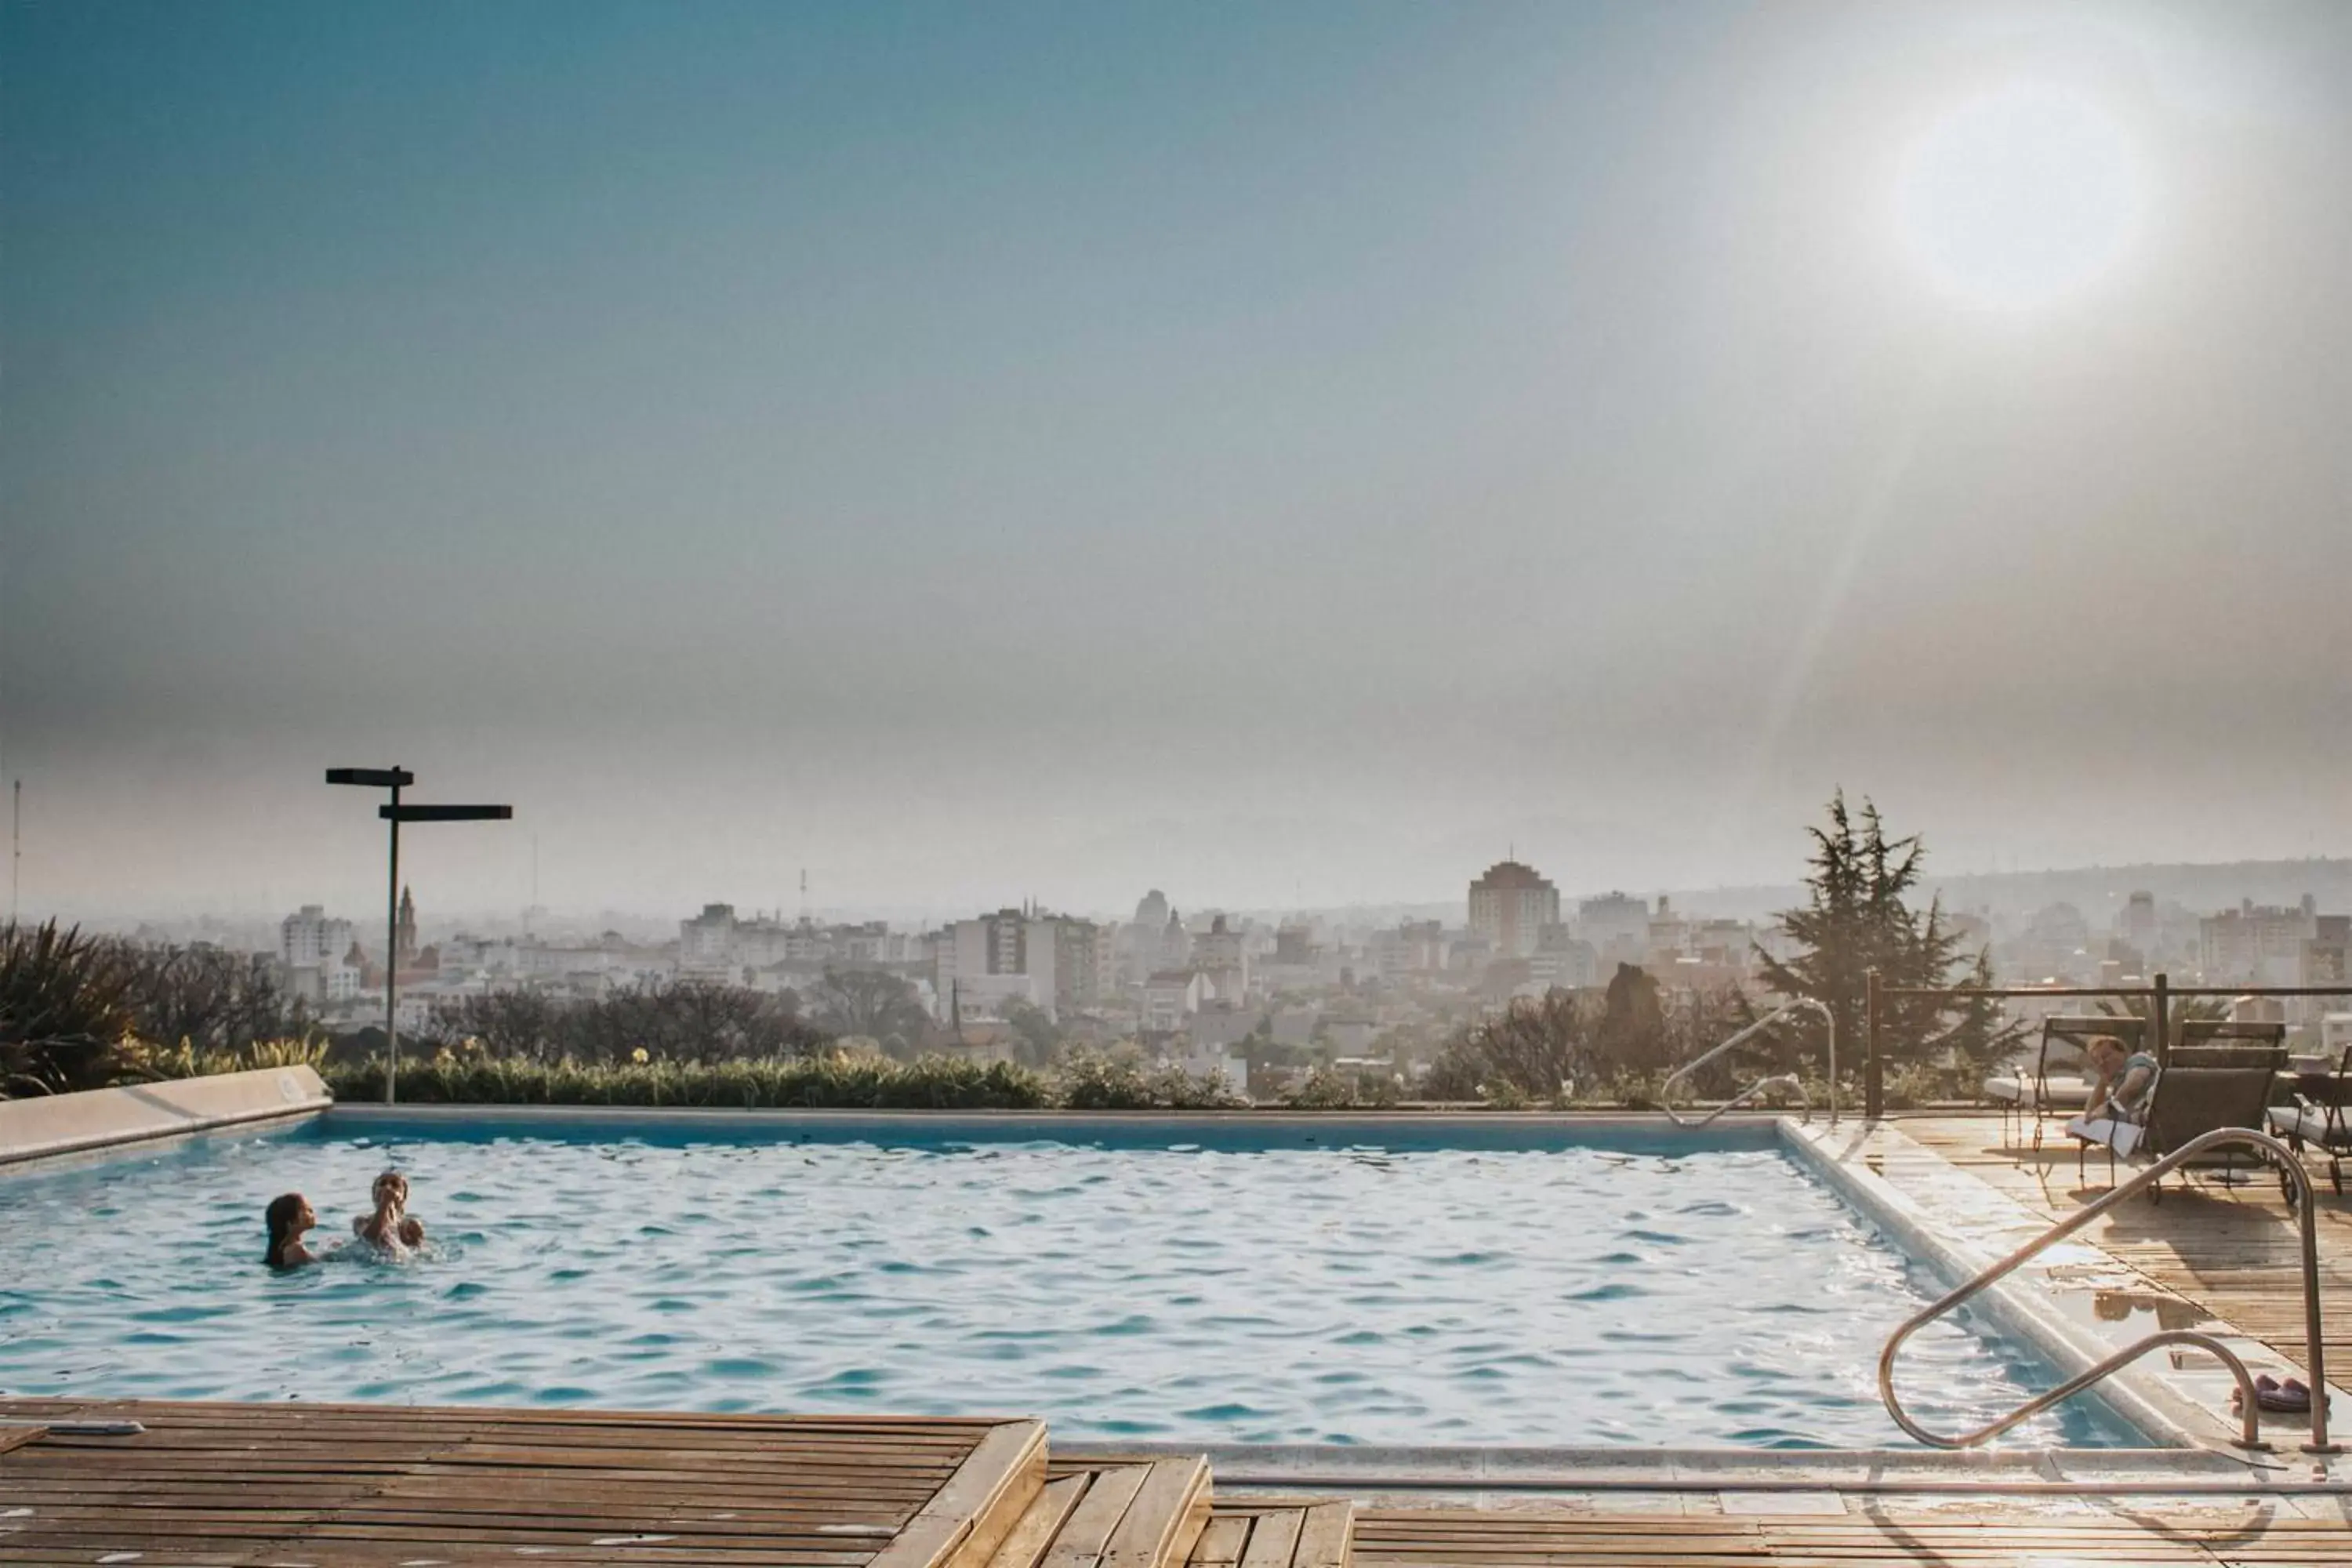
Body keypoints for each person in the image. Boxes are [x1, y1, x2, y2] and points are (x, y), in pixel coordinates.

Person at [2066, 1036, 2160, 1156]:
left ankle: (2130, 1140)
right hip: (2136, 1126)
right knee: (2075, 1124)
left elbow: (2137, 1080)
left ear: (2123, 1053)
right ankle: (2126, 1140)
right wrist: (2103, 1081)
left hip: (2151, 1120)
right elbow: (2090, 1114)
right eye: (2096, 1061)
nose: (2102, 1063)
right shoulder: (2118, 1084)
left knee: (2079, 1125)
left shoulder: (2137, 1060)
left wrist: (2110, 1107)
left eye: (2106, 1056)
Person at [354, 1170, 424, 1254]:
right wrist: (384, 1205)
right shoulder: (362, 1221)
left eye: (395, 1184)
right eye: (382, 1184)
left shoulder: (411, 1226)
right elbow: (369, 1239)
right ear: (374, 1194)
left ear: (403, 1196)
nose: (387, 1187)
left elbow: (419, 1254)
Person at [264, 1193, 321, 1270]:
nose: (311, 1212)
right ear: (290, 1222)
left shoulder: (284, 1248)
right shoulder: (295, 1249)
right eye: (306, 1209)